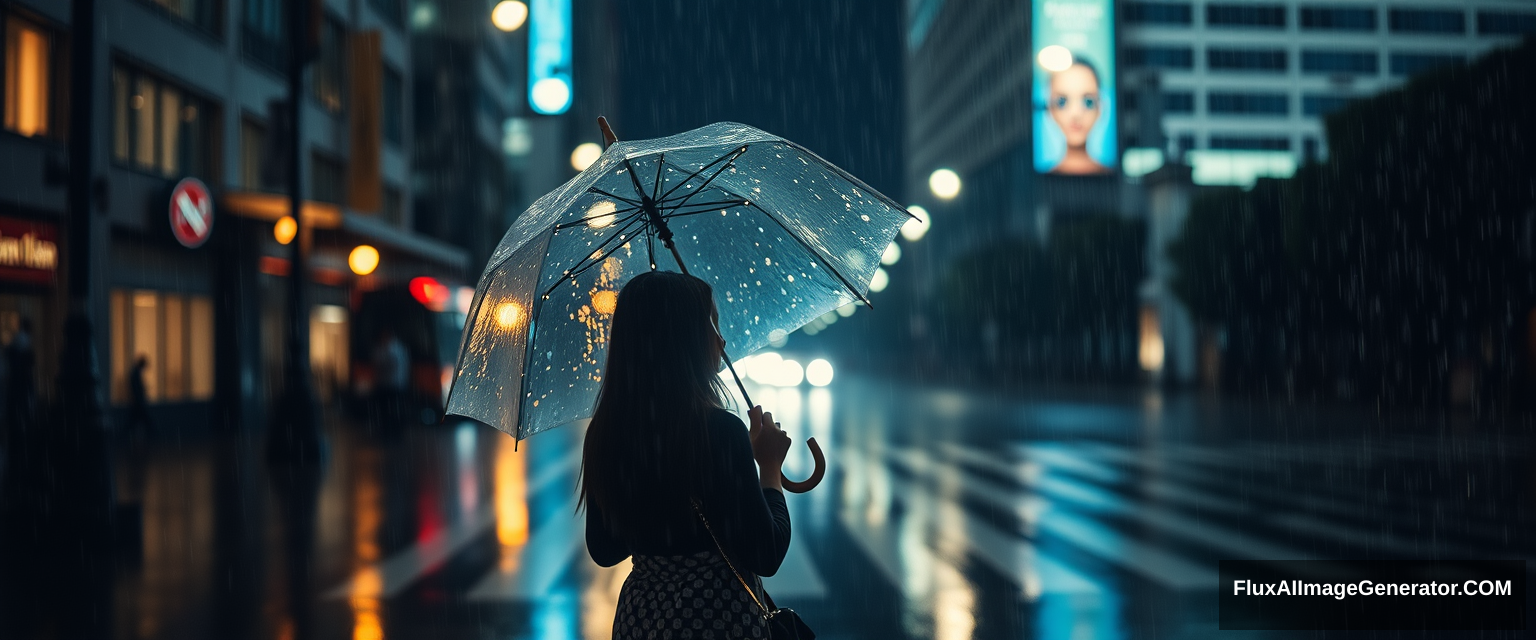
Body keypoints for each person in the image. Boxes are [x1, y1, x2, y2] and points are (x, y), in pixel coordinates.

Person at [581, 271, 792, 639]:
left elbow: (604, 549)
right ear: (683, 339)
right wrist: (770, 467)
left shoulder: (608, 432)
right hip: (718, 621)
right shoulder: (720, 432)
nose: (722, 340)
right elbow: (766, 553)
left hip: (641, 622)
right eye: (710, 324)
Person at [1046, 57, 1112, 175]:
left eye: (1088, 101)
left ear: (1100, 108)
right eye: (1062, 101)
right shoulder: (1041, 181)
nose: (1075, 114)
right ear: (1050, 110)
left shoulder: (1111, 176)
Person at [372, 329, 409, 428]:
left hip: (389, 385)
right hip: (397, 384)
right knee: (394, 409)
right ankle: (394, 429)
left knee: (388, 410)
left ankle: (390, 429)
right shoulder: (399, 348)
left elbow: (384, 365)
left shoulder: (389, 348)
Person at [126, 355, 154, 434]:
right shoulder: (136, 373)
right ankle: (153, 434)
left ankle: (153, 434)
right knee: (144, 420)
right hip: (138, 402)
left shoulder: (135, 372)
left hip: (137, 402)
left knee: (133, 421)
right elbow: (136, 388)